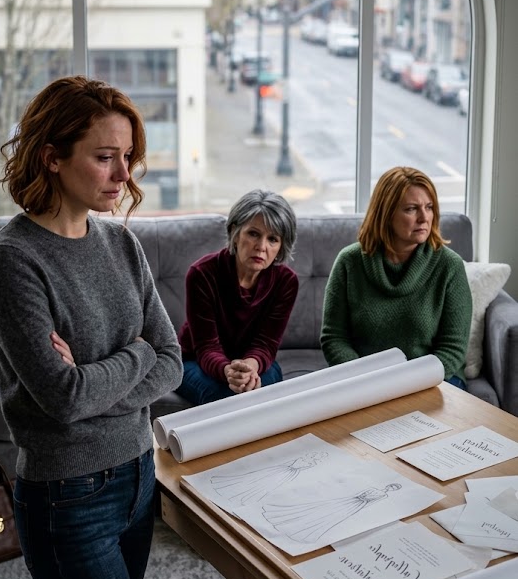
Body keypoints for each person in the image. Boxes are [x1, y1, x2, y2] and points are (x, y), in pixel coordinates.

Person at [0, 76, 183, 579]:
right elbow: (62, 398)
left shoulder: (120, 242)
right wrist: (135, 358)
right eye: (104, 156)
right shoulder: (12, 259)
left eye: (128, 157)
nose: (123, 173)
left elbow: (172, 362)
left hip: (137, 481)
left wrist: (105, 370)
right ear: (52, 155)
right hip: (67, 503)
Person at [320, 165, 472, 388]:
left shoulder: (449, 266)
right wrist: (367, 381)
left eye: (429, 207)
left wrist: (405, 385)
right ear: (386, 213)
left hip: (434, 381)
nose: (424, 218)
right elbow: (334, 338)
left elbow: (453, 349)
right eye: (411, 209)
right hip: (363, 383)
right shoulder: (349, 262)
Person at [177, 189, 299, 405]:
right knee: (225, 398)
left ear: (281, 247)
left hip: (254, 363)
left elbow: (266, 343)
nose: (261, 247)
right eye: (253, 233)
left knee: (264, 392)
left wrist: (249, 367)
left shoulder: (286, 282)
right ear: (235, 232)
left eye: (273, 239)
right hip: (195, 361)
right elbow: (206, 346)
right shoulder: (202, 274)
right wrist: (228, 371)